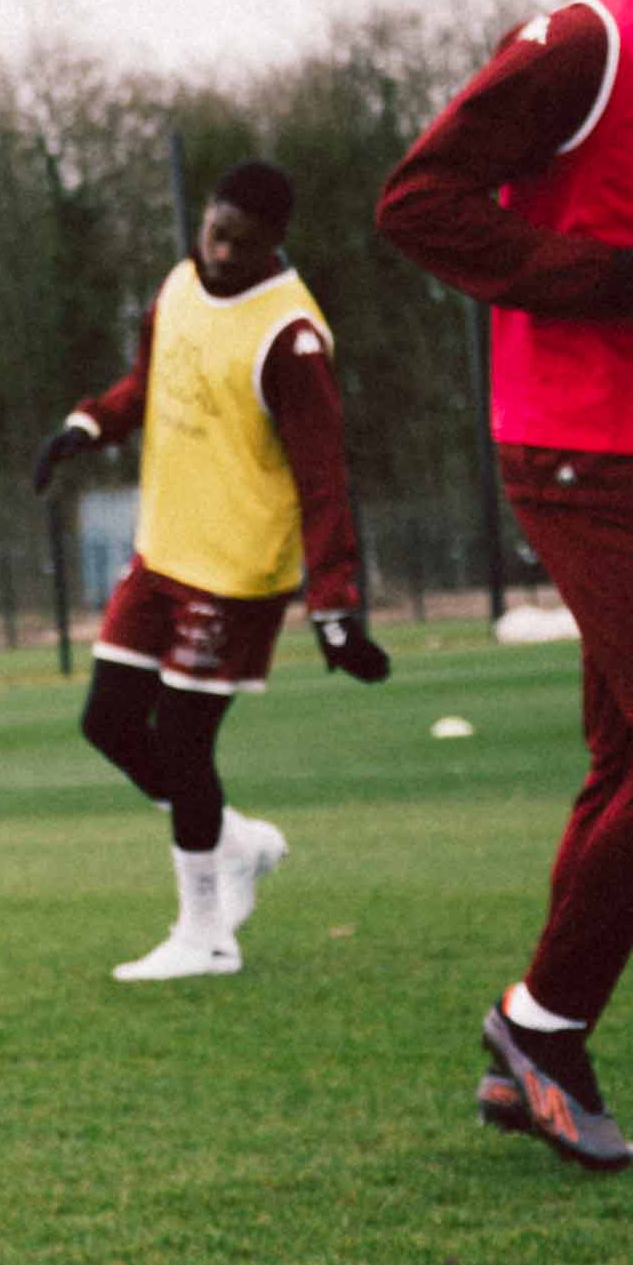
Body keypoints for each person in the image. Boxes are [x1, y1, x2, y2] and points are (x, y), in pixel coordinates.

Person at [374, 0, 633, 1172]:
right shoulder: (593, 38)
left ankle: (539, 1038)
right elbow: (417, 201)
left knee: (630, 760)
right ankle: (541, 1026)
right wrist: (612, 278)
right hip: (586, 451)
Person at [33, 161, 386, 980]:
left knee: (185, 743)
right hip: (162, 551)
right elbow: (151, 386)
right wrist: (89, 423)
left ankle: (206, 936)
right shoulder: (178, 286)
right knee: (108, 724)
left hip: (235, 572)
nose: (219, 251)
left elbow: (325, 480)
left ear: (274, 242)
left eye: (239, 241)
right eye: (212, 231)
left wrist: (334, 602)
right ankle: (238, 842)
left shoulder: (291, 339)